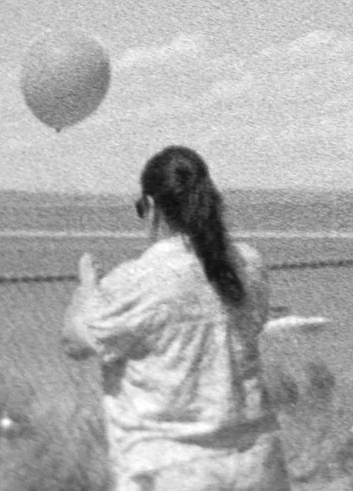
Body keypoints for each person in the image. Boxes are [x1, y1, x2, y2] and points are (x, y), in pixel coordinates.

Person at [63, 146, 287, 491]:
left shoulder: (137, 280)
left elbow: (76, 341)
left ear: (151, 208)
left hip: (172, 468)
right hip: (257, 462)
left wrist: (86, 290)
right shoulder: (249, 264)